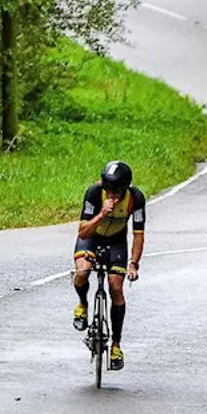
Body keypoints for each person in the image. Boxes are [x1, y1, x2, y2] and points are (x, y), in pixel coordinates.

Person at [71, 159, 145, 371]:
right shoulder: (94, 193)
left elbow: (138, 235)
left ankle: (116, 345)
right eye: (107, 189)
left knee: (115, 287)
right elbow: (83, 231)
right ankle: (82, 304)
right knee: (83, 270)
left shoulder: (136, 198)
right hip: (92, 237)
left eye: (115, 191)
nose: (110, 194)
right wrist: (101, 214)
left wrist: (133, 264)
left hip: (116, 242)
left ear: (124, 189)